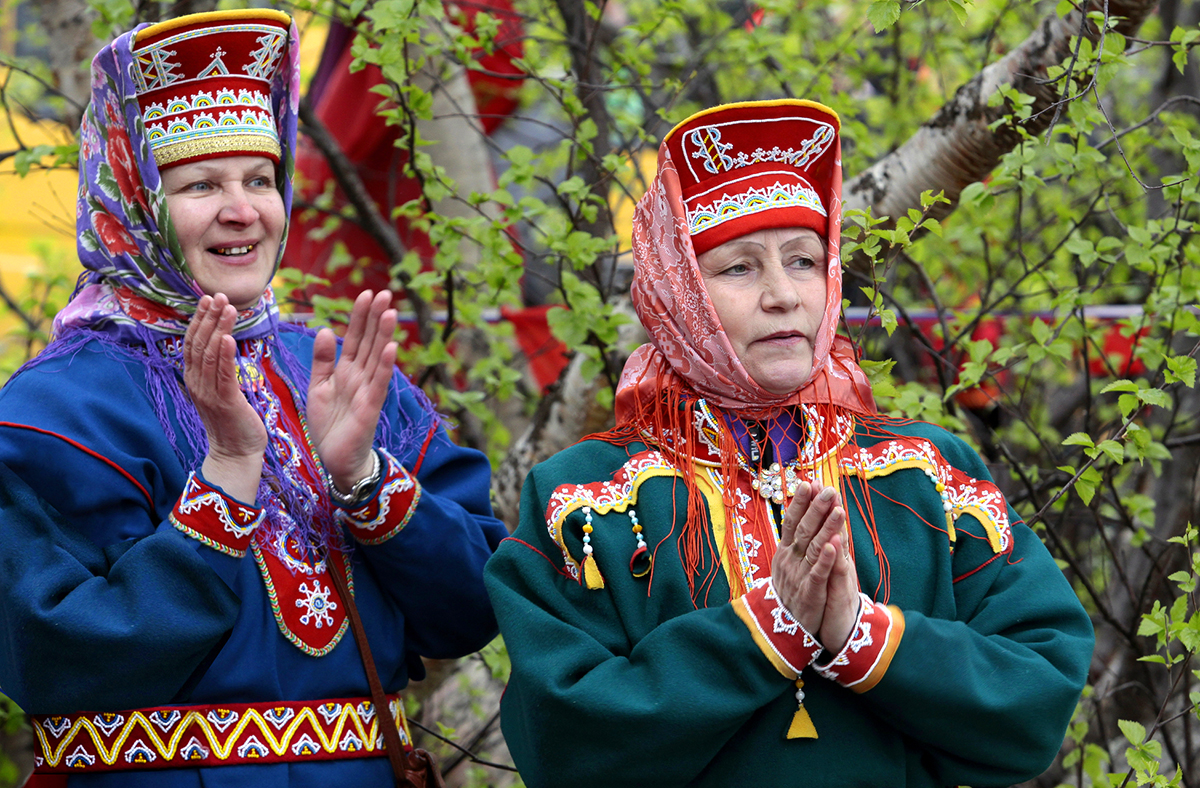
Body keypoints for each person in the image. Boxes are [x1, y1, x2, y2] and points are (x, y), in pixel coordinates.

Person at [484, 99, 1095, 787]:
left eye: (803, 260)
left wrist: (860, 634)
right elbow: (560, 742)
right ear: (676, 291)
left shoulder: (929, 475)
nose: (783, 295)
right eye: (739, 268)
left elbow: (1037, 697)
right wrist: (764, 632)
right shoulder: (589, 500)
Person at [0, 9, 507, 786]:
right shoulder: (54, 411)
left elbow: (476, 608)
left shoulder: (337, 371)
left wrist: (365, 481)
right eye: (201, 184)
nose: (243, 211)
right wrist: (228, 476)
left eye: (261, 180)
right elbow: (55, 657)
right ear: (133, 203)